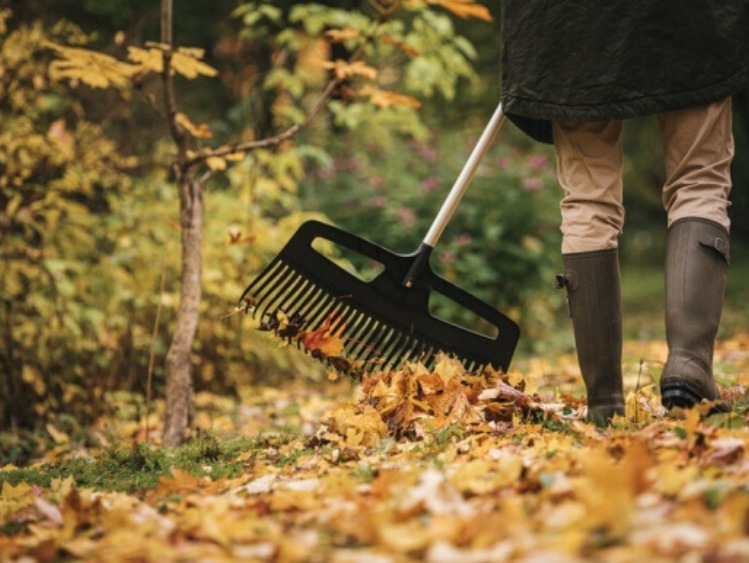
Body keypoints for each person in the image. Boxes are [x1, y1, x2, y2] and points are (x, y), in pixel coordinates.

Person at [499, 1, 749, 424]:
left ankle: (604, 402)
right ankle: (688, 364)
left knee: (587, 197)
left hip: (568, 19)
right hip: (687, 18)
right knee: (698, 179)